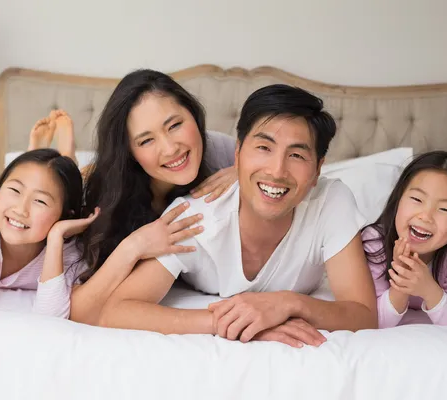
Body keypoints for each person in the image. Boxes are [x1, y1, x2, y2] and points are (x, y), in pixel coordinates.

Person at [96, 84, 378, 348]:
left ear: (318, 170)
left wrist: (289, 304)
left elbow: (364, 315)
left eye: (296, 155)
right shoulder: (193, 217)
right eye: (264, 148)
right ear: (238, 154)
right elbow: (116, 311)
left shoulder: (331, 202)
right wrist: (225, 322)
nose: (277, 171)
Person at [60, 69, 238, 325]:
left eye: (175, 125)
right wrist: (135, 245)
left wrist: (244, 172)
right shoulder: (105, 199)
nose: (170, 148)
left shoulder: (219, 151)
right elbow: (81, 313)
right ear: (129, 152)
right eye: (146, 141)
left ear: (194, 115)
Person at [0, 149, 98, 318]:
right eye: (15, 190)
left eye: (40, 201)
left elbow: (51, 319)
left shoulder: (70, 256)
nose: (20, 210)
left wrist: (56, 236)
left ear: (65, 215)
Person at [361, 151, 447, 328]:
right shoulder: (374, 244)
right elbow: (371, 321)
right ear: (398, 200)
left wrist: (429, 289)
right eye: (417, 199)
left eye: (444, 209)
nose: (425, 216)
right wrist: (401, 286)